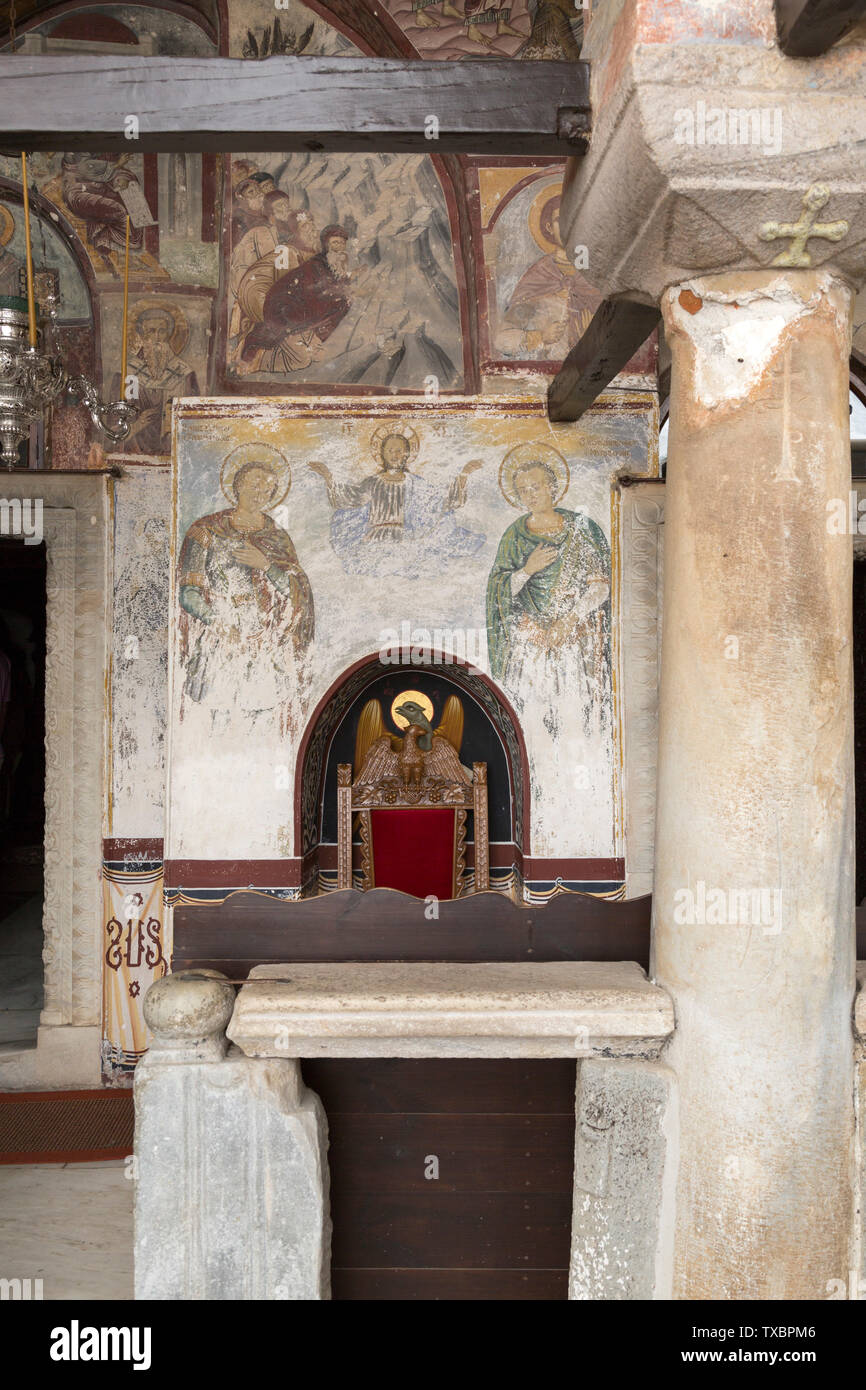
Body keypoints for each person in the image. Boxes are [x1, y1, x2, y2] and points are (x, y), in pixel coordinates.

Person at [178, 449, 313, 729]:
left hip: (262, 637)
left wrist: (267, 566)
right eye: (254, 484)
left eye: (267, 488)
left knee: (261, 713)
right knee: (218, 713)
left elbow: (295, 590)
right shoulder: (205, 530)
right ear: (237, 485)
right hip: (221, 634)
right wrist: (219, 622)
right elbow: (188, 592)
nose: (260, 492)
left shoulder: (276, 536)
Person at [486, 452, 610, 729]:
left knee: (572, 712)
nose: (530, 495)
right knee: (531, 717)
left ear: (552, 487)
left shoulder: (582, 529)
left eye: (536, 487)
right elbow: (499, 590)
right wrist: (527, 570)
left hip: (572, 636)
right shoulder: (515, 535)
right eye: (523, 490)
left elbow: (600, 587)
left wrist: (569, 620)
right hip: (529, 639)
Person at [309, 428, 484, 578]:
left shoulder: (415, 482)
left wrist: (464, 475)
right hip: (376, 539)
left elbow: (442, 501)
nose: (395, 455)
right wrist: (328, 477)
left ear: (407, 454)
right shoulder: (373, 482)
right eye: (390, 450)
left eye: (399, 451)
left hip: (404, 538)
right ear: (383, 454)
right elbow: (349, 498)